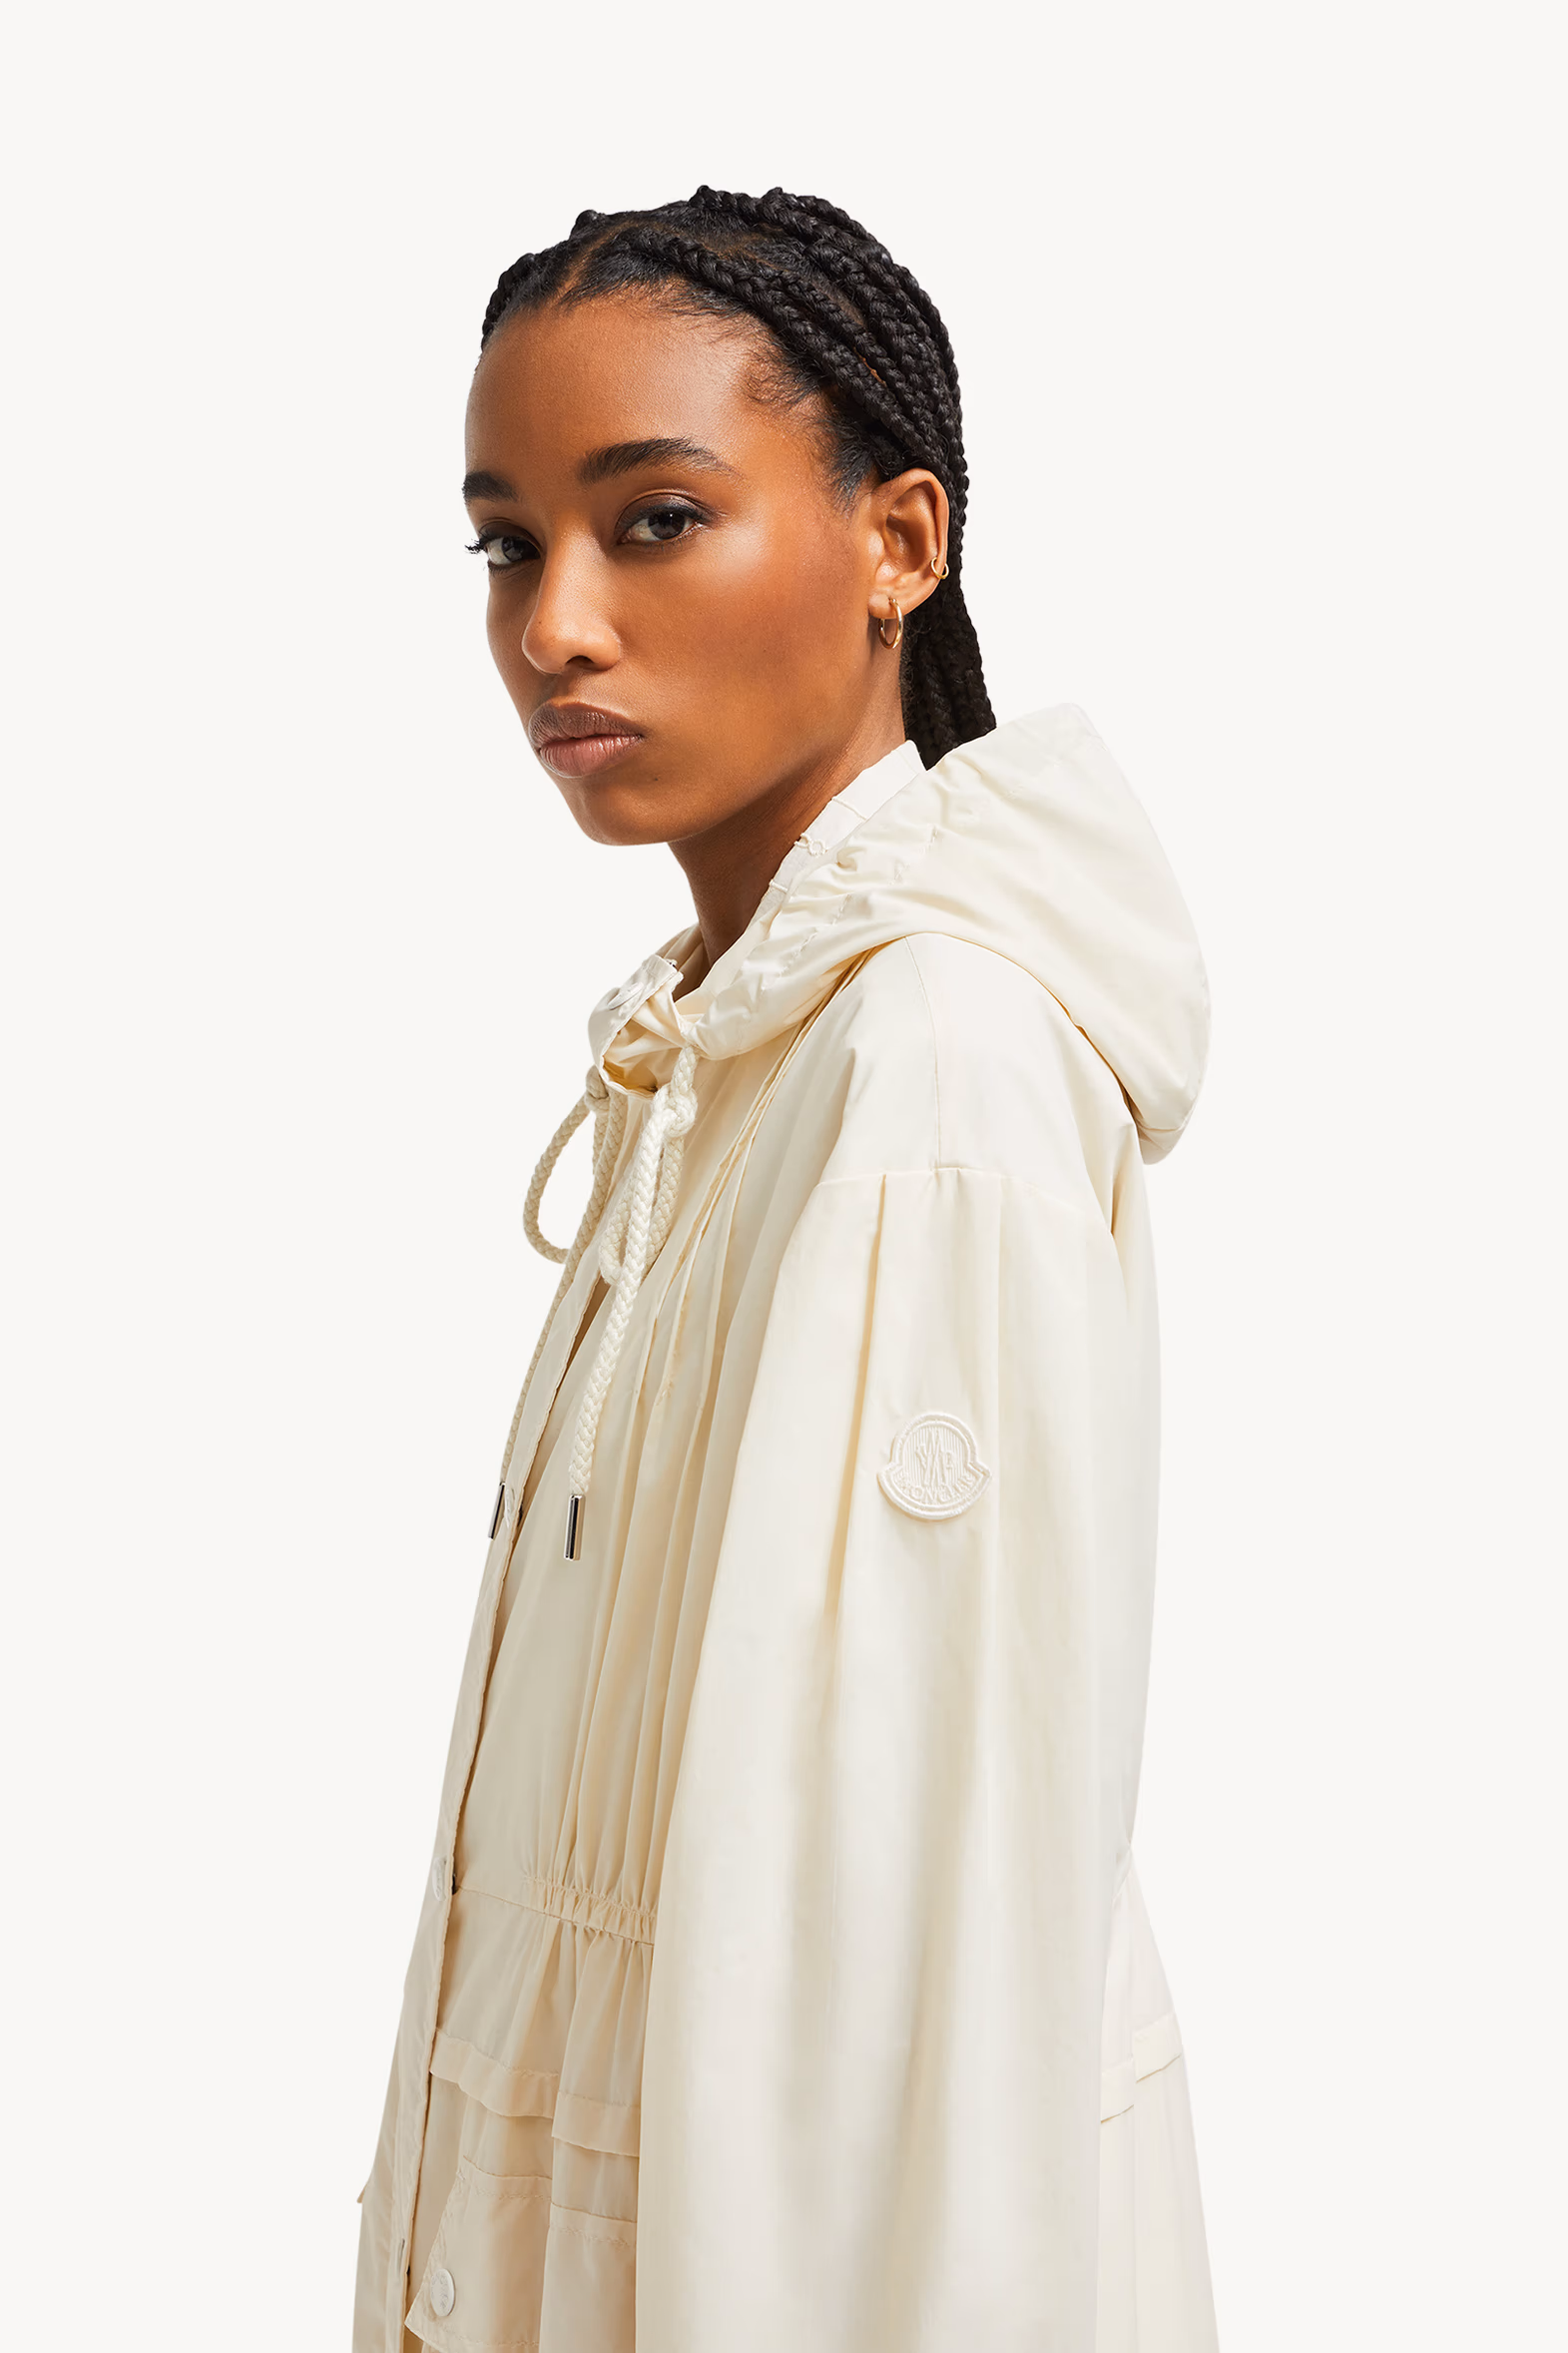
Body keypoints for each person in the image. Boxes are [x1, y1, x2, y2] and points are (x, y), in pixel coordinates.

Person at [353, 186, 1219, 2353]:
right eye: (506, 545)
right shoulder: (735, 1052)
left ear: (897, 540)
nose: (554, 625)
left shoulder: (928, 1074)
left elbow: (906, 1993)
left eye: (653, 520)